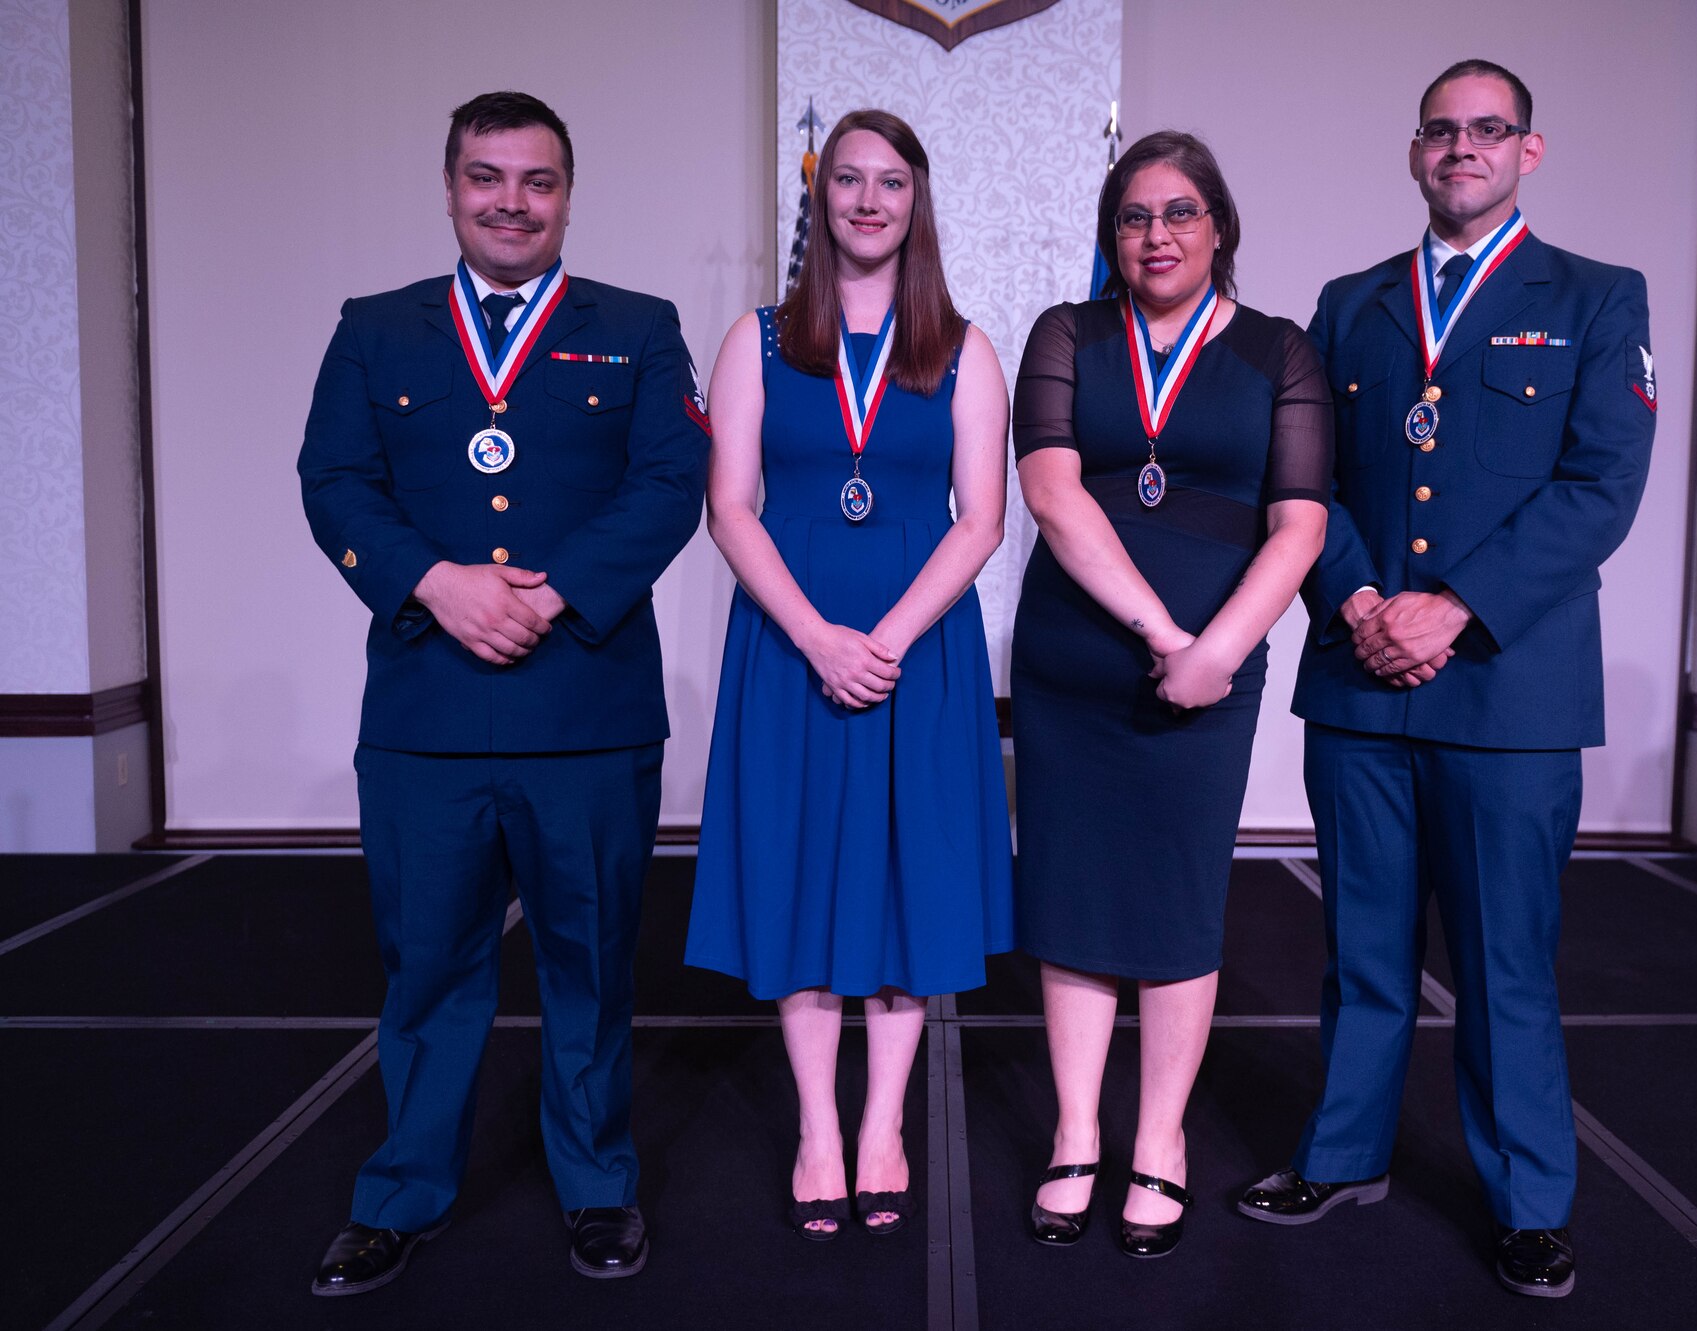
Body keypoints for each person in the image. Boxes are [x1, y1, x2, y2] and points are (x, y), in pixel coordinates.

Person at [1235, 61, 1658, 1300]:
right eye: (1440, 130)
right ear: (1413, 152)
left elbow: (1599, 487)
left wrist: (1453, 607)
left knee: (1503, 963)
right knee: (1358, 947)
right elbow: (1299, 473)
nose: (1460, 148)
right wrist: (1361, 601)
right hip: (1360, 683)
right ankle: (1342, 1151)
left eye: (1486, 130)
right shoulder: (1348, 303)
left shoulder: (1591, 297)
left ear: (1527, 151)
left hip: (1506, 694)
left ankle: (1529, 1201)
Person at [297, 90, 710, 1293]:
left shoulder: (638, 326)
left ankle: (596, 1185)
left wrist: (547, 593)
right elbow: (334, 480)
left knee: (590, 962)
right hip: (426, 711)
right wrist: (435, 581)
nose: (511, 201)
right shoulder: (375, 330)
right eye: (488, 178)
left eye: (535, 181)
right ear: (449, 188)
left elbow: (670, 480)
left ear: (567, 196)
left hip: (585, 708)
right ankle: (404, 1190)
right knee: (427, 966)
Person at [684, 108, 1013, 1241]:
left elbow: (982, 520)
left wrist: (887, 637)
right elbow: (728, 508)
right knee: (800, 877)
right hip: (789, 647)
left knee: (903, 880)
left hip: (919, 657)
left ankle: (885, 1123)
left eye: (891, 183)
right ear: (819, 200)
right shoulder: (759, 340)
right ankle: (818, 1125)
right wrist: (820, 635)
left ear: (917, 203)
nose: (868, 201)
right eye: (847, 182)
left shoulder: (964, 348)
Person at [1011, 131, 1331, 1259]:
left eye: (1179, 212)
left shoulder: (1277, 351)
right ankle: (1075, 1130)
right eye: (1136, 216)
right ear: (1112, 234)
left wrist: (1219, 650)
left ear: (1219, 228)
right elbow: (1051, 490)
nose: (1156, 234)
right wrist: (1160, 631)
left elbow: (1299, 522)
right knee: (1071, 892)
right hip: (1077, 658)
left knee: (1178, 897)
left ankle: (1159, 1138)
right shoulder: (1067, 334)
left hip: (1214, 669)